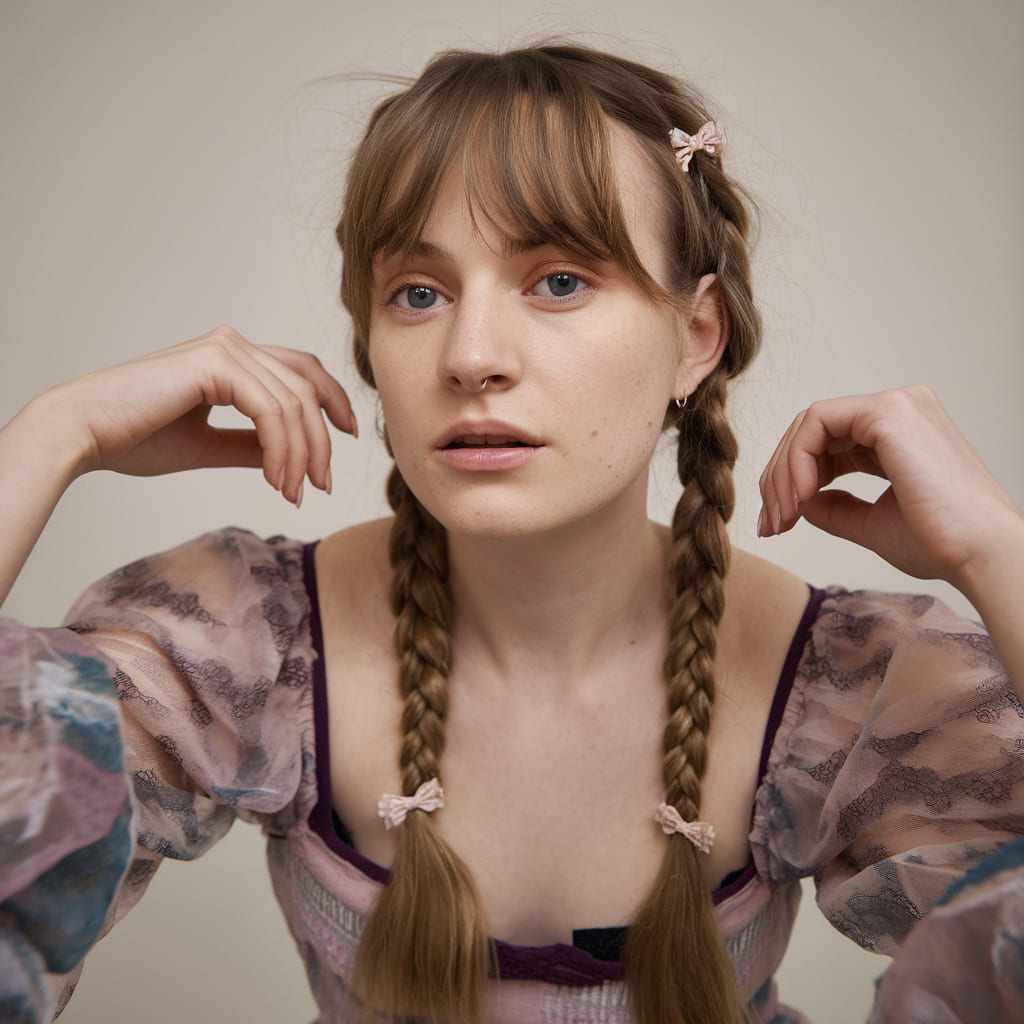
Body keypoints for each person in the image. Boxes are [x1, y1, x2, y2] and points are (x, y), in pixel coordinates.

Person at [1, 43, 1022, 1024]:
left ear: (695, 337)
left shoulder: (852, 685)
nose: (471, 354)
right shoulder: (242, 636)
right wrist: (50, 437)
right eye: (417, 292)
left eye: (559, 281)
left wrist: (997, 551)